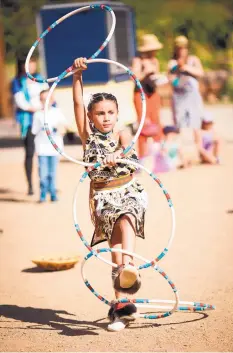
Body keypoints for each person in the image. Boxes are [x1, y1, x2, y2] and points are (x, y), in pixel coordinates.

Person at [72, 57, 148, 332]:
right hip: (103, 198)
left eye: (110, 113)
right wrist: (77, 75)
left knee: (126, 218)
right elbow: (78, 104)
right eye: (100, 113)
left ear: (117, 114)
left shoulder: (124, 135)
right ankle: (121, 306)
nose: (105, 117)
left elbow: (134, 163)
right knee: (117, 253)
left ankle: (127, 281)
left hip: (128, 192)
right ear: (92, 117)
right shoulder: (87, 137)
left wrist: (119, 156)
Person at [11, 56, 49, 195]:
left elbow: (48, 96)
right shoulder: (17, 81)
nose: (31, 67)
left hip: (41, 119)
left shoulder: (40, 79)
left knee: (45, 152)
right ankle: (30, 185)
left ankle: (46, 185)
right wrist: (33, 108)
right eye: (28, 65)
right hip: (28, 121)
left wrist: (43, 109)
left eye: (33, 64)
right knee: (29, 153)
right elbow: (19, 101)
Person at [131, 34, 163, 164]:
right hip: (141, 93)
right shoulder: (137, 60)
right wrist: (146, 72)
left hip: (153, 93)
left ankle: (158, 155)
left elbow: (157, 78)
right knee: (143, 123)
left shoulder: (155, 60)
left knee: (156, 122)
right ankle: (142, 157)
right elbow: (134, 77)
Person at [168, 36, 205, 144]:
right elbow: (170, 78)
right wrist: (177, 69)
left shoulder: (193, 60)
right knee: (180, 124)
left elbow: (200, 73)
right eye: (179, 48)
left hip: (193, 96)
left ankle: (199, 149)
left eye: (183, 48)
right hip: (179, 96)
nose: (181, 50)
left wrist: (185, 67)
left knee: (196, 123)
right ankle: (181, 152)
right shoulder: (172, 63)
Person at [31, 90, 66, 202]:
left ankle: (52, 193)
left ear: (52, 100)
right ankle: (43, 193)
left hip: (54, 148)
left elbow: (64, 127)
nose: (45, 102)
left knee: (52, 172)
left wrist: (59, 129)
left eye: (48, 99)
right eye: (43, 99)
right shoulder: (38, 114)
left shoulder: (57, 112)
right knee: (43, 172)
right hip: (42, 148)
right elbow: (34, 130)